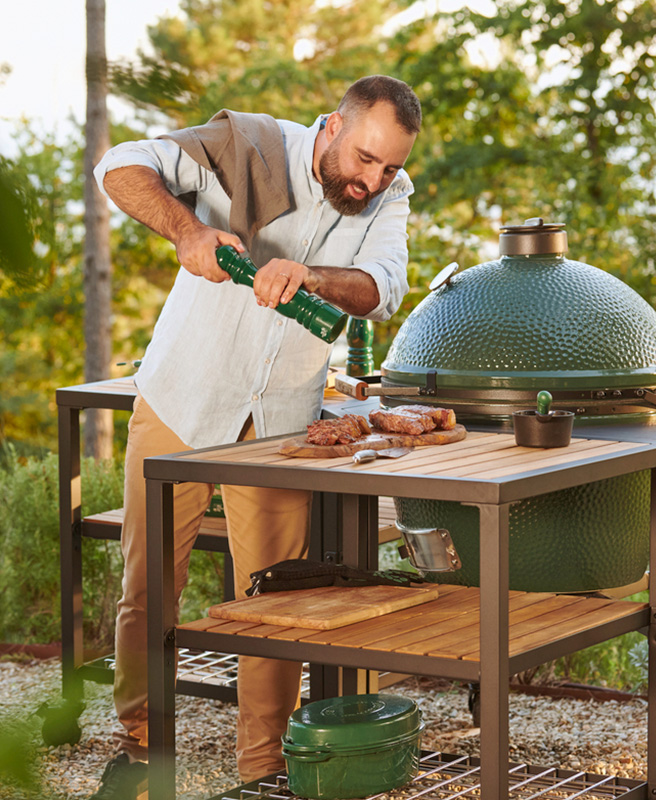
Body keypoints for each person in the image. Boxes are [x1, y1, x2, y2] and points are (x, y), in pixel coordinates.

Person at [88, 75, 421, 800]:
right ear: (333, 126)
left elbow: (383, 287)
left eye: (389, 166)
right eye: (365, 159)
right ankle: (141, 747)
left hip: (278, 424)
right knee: (149, 586)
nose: (372, 180)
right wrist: (189, 231)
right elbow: (118, 164)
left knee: (275, 604)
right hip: (182, 397)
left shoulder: (389, 195)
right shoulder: (248, 144)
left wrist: (314, 278)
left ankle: (263, 771)